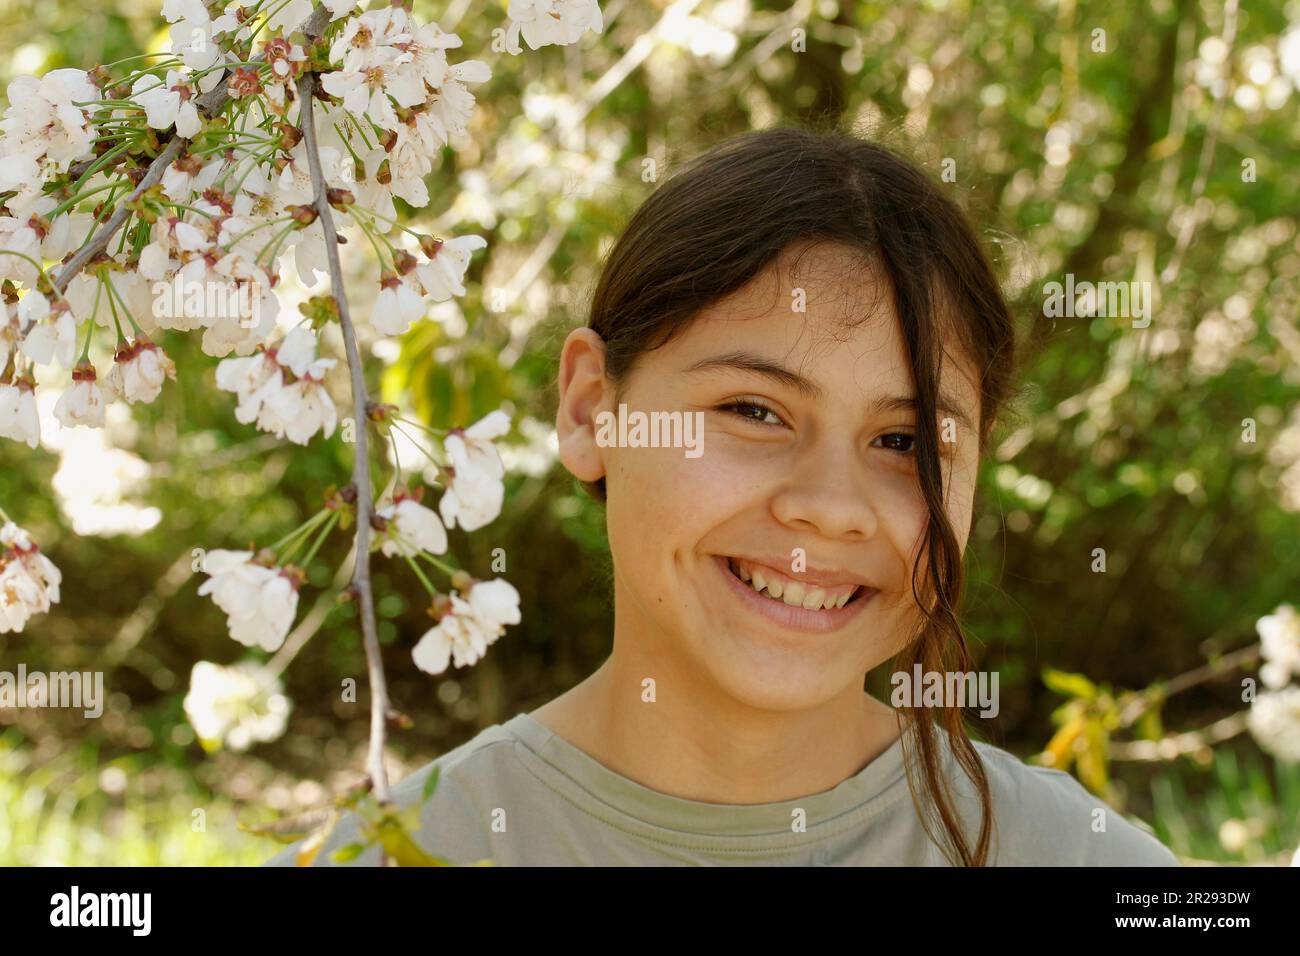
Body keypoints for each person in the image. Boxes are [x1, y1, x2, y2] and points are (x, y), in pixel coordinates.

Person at [267, 126, 1178, 867]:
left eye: (903, 442)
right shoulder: (402, 853)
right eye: (753, 410)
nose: (830, 506)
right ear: (592, 409)